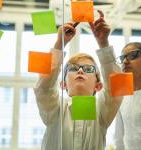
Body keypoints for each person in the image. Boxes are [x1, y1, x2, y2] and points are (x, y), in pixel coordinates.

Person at [34, 10, 122, 150]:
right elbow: (44, 87)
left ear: (98, 86)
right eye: (73, 68)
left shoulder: (102, 112)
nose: (80, 70)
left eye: (88, 69)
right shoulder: (54, 109)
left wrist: (103, 43)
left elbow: (116, 89)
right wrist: (59, 44)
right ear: (63, 84)